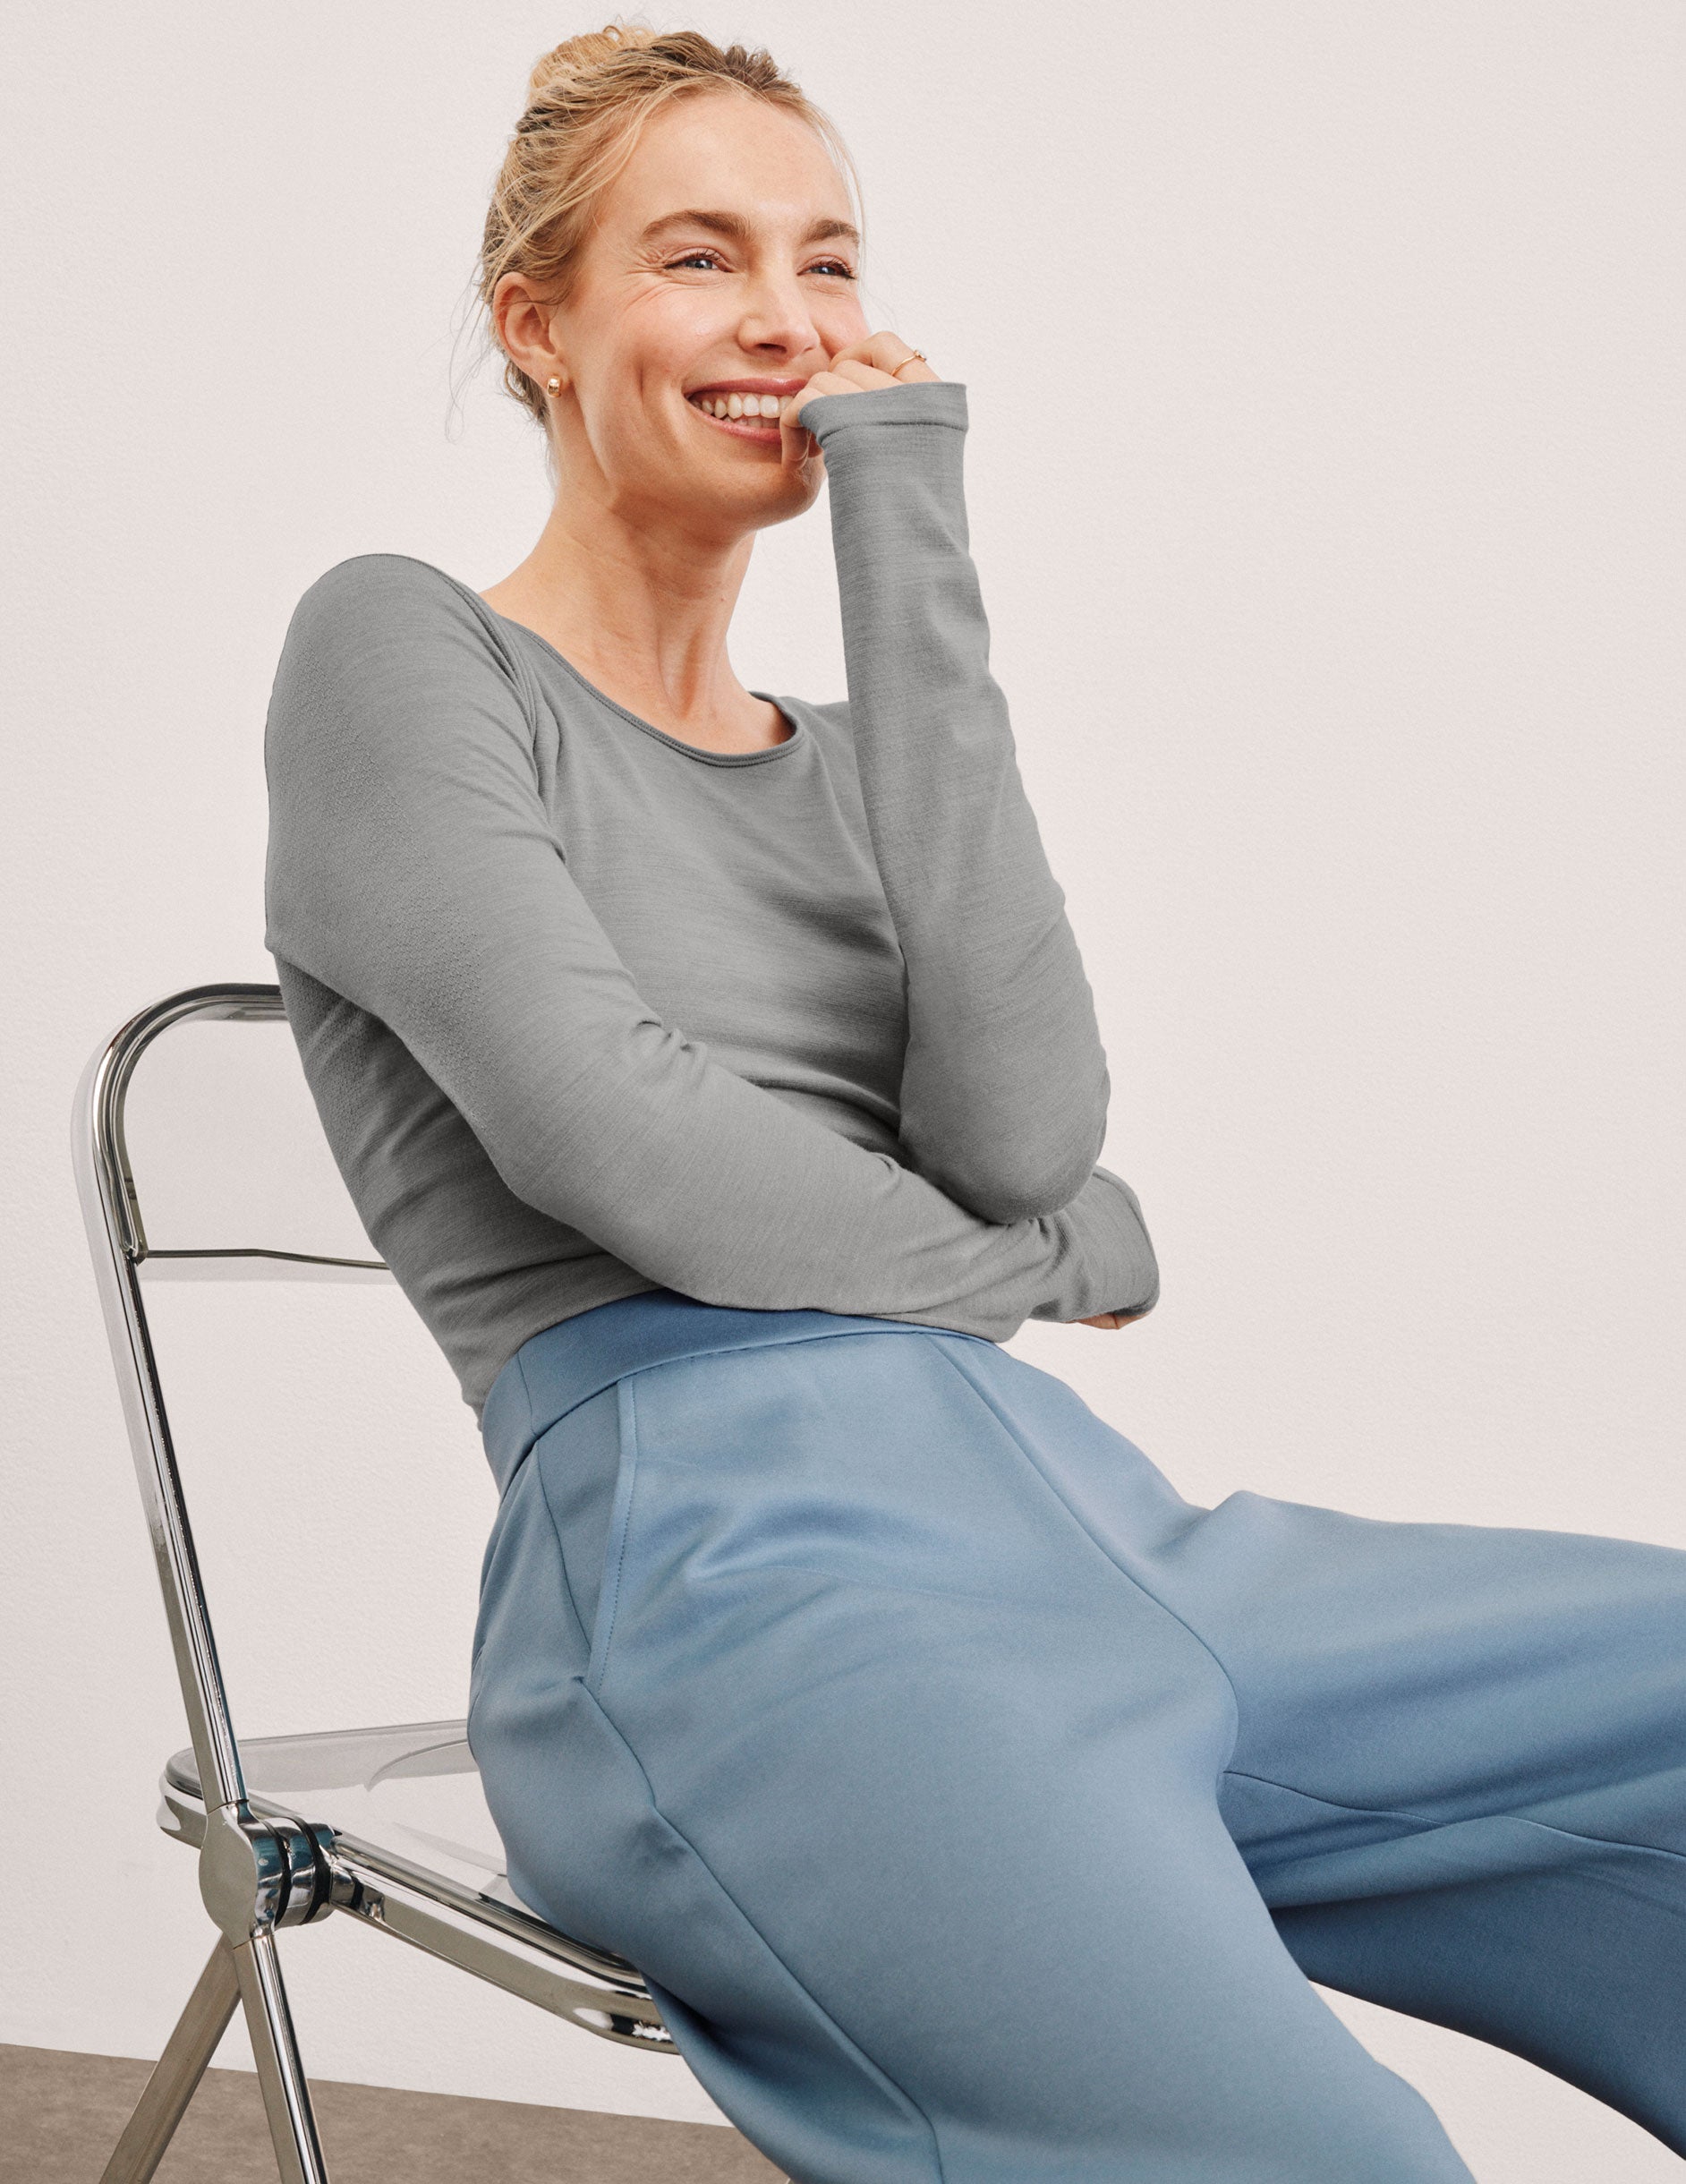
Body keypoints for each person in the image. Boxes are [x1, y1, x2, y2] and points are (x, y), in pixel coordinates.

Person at [263, 27, 1686, 2183]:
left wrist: (902, 513)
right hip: (728, 1584)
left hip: (1092, 1525)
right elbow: (628, 1148)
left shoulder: (848, 758)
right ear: (535, 324)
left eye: (827, 262)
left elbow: (1022, 1127)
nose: (785, 318)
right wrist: (1053, 1262)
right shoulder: (400, 652)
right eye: (699, 255)